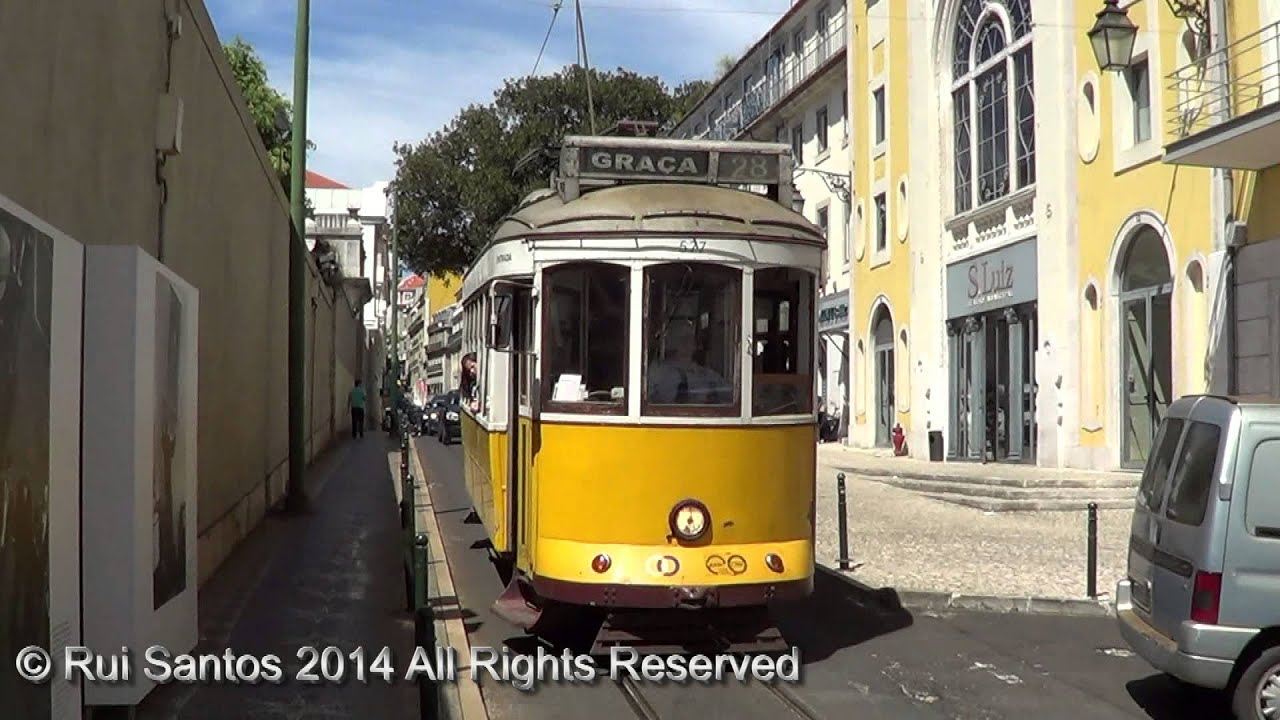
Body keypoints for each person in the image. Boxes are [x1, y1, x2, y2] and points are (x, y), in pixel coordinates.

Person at [646, 317, 731, 404]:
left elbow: (730, 397)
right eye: (682, 339)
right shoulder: (656, 372)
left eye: (690, 338)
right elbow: (644, 400)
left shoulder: (708, 376)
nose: (687, 343)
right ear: (671, 341)